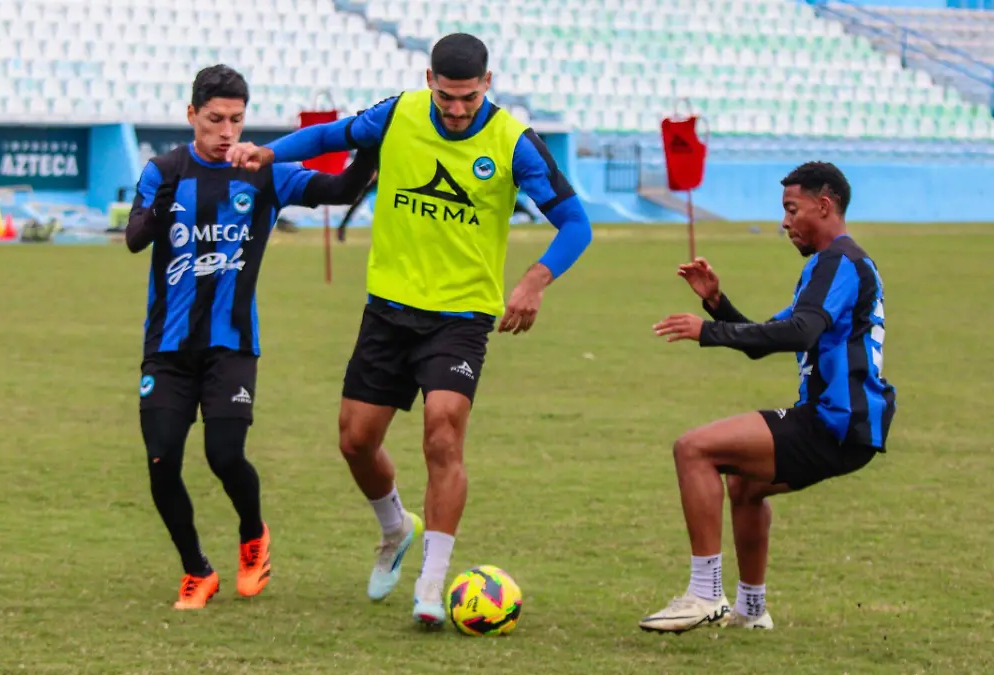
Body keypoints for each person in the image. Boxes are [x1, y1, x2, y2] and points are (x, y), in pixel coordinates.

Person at [226, 33, 593, 626]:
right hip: (388, 310)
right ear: (429, 81)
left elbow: (575, 223)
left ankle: (431, 583)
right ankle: (396, 528)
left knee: (442, 433)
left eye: (469, 97)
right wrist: (269, 154)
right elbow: (331, 135)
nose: (457, 109)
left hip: (461, 317)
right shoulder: (398, 114)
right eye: (447, 97)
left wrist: (535, 280)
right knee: (355, 441)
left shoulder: (513, 142)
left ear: (488, 84)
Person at [125, 64, 378, 610]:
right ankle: (196, 570)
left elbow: (340, 188)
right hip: (167, 347)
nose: (226, 132)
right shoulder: (163, 171)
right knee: (161, 462)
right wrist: (162, 206)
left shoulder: (266, 172)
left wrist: (371, 144)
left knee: (224, 455)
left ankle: (252, 535)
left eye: (236, 120)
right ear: (191, 115)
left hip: (232, 344)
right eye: (214, 119)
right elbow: (135, 238)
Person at [642, 162, 896, 633]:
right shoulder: (835, 266)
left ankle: (704, 594)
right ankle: (752, 610)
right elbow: (766, 338)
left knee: (693, 448)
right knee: (745, 484)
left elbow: (799, 333)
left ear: (825, 205)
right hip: (848, 425)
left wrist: (708, 330)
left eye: (792, 209)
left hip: (834, 422)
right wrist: (716, 304)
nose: (784, 222)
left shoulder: (839, 262)